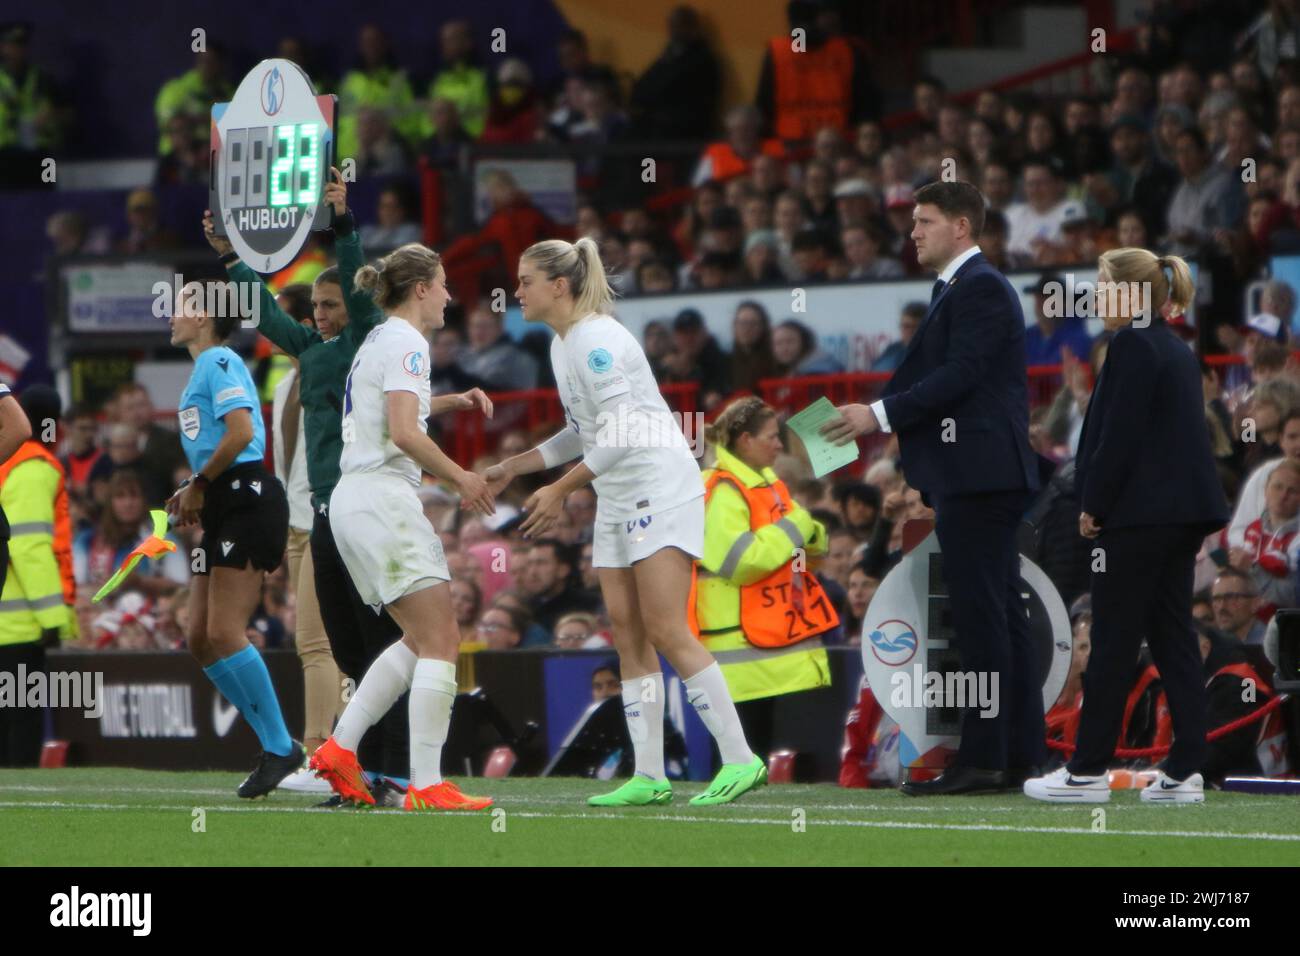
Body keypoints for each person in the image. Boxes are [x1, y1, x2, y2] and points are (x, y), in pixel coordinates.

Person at [484, 236, 767, 807]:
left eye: (525, 280)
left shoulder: (598, 342)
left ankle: (742, 759)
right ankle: (650, 775)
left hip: (659, 486)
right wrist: (515, 466)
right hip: (619, 494)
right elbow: (582, 432)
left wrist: (560, 488)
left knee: (665, 628)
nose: (515, 291)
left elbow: (622, 433)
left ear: (559, 286)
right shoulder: (564, 345)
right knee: (628, 633)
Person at [823, 180, 1045, 796]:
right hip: (977, 474)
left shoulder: (980, 289)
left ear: (961, 228)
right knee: (998, 612)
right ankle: (1018, 754)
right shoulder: (962, 287)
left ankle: (984, 759)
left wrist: (880, 414)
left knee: (982, 618)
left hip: (980, 476)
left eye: (923, 221)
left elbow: (959, 375)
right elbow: (946, 377)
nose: (912, 232)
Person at [1024, 249, 1230, 805]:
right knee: (1172, 637)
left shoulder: (1133, 345)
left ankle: (1087, 770)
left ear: (1130, 292)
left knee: (1113, 637)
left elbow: (1120, 436)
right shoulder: (1174, 347)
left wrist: (1095, 503)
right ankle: (1186, 767)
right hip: (1179, 518)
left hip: (1138, 519)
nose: (1095, 292)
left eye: (1103, 283)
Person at [308, 243, 496, 812]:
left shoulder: (379, 339)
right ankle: (426, 783)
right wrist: (461, 476)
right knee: (442, 641)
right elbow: (402, 432)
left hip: (351, 502)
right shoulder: (410, 342)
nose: (448, 296)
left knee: (416, 640)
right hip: (383, 498)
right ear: (420, 289)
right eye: (442, 285)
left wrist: (452, 402)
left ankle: (340, 749)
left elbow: (391, 411)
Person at [167, 284, 299, 798]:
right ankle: (277, 745)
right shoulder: (204, 367)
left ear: (203, 317)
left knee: (224, 631)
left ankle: (280, 745)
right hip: (222, 500)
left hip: (246, 497)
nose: (173, 316)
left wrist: (201, 483)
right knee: (198, 637)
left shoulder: (218, 359)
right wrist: (192, 489)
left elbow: (242, 433)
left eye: (183, 307)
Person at [689, 397, 837, 760]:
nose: (779, 445)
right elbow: (740, 561)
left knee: (756, 758)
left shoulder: (767, 483)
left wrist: (804, 530)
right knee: (738, 757)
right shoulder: (723, 490)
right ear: (745, 441)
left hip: (767, 640)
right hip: (737, 648)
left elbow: (816, 541)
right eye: (771, 437)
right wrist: (798, 527)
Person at [0, 385, 73, 766]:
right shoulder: (34, 467)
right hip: (20, 623)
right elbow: (29, 547)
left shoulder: (9, 462)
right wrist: (52, 618)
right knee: (22, 721)